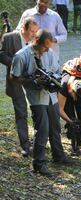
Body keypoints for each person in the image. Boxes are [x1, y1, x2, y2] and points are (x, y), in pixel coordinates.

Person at [11, 29, 69, 176]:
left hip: (51, 95)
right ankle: (39, 163)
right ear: (36, 41)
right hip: (36, 98)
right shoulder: (21, 56)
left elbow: (57, 70)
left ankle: (58, 156)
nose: (47, 50)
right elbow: (14, 77)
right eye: (45, 47)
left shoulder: (49, 52)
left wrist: (54, 79)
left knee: (55, 126)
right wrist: (32, 80)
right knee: (42, 129)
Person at [0, 17, 39, 157]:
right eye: (31, 31)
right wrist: (16, 63)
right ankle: (25, 146)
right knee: (21, 113)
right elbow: (1, 55)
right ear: (23, 28)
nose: (34, 34)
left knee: (38, 112)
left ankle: (37, 143)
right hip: (16, 82)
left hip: (33, 82)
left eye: (36, 31)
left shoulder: (37, 38)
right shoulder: (9, 37)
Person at [58, 58, 81, 156]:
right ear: (73, 92)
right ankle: (76, 143)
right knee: (72, 118)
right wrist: (70, 122)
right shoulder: (64, 86)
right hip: (68, 93)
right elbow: (60, 109)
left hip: (80, 89)